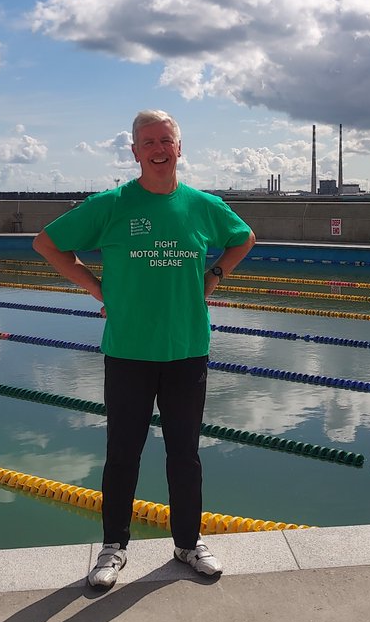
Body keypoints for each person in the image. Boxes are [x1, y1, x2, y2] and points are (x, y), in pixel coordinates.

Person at [33, 109, 256, 588]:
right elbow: (47, 244)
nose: (158, 149)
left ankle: (187, 543)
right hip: (129, 352)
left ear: (180, 148)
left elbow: (243, 238)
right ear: (134, 151)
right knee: (123, 453)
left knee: (185, 454)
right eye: (148, 142)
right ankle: (113, 548)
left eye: (166, 140)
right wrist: (97, 289)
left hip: (187, 350)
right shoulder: (111, 204)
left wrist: (214, 274)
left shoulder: (201, 205)